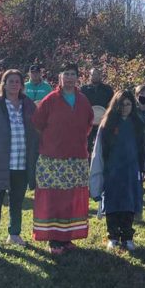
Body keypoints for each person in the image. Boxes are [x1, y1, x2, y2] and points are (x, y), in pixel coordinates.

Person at [31, 63, 94, 254]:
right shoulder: (50, 99)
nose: (68, 77)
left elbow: (89, 124)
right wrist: (53, 141)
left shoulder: (83, 101)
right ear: (60, 77)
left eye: (72, 74)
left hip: (76, 158)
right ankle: (54, 239)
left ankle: (66, 237)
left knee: (71, 198)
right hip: (52, 159)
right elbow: (37, 123)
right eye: (65, 74)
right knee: (53, 198)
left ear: (77, 77)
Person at [0, 70, 39, 251]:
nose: (14, 84)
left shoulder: (28, 105)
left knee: (17, 201)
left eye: (17, 81)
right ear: (4, 84)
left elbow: (38, 131)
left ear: (21, 85)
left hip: (22, 163)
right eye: (10, 81)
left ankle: (14, 234)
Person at [89, 90, 145, 251]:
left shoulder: (137, 125)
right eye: (122, 104)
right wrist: (97, 174)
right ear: (115, 105)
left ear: (132, 105)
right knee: (112, 205)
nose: (125, 108)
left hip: (131, 172)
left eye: (128, 104)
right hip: (112, 172)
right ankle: (113, 236)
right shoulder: (107, 126)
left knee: (128, 205)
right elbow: (98, 151)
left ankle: (127, 237)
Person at [81, 67, 114, 152]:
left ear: (100, 76)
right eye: (93, 74)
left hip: (103, 122)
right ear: (90, 76)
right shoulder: (83, 89)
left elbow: (113, 104)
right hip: (88, 123)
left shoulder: (107, 89)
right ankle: (88, 163)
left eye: (97, 74)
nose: (95, 76)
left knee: (103, 146)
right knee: (87, 147)